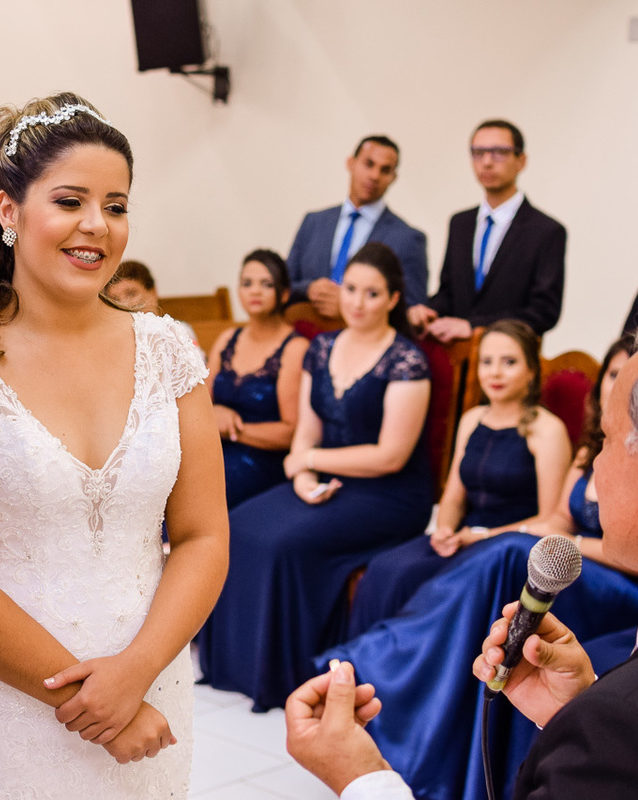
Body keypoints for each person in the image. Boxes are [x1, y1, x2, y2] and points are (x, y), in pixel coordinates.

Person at [0, 92, 229, 799]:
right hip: (6, 706)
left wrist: (136, 672)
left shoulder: (170, 351)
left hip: (150, 685)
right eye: (70, 200)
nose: (97, 225)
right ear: (6, 211)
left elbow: (205, 535)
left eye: (116, 205)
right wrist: (92, 705)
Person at [288, 345, 638, 800]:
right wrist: (574, 708)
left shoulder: (617, 720)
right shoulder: (609, 718)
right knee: (398, 568)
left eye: (607, 441)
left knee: (508, 552)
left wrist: (362, 780)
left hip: (592, 579)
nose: (594, 461)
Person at [198, 242, 432, 710]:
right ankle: (231, 666)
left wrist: (313, 463)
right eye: (351, 289)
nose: (357, 302)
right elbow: (304, 435)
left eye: (371, 293)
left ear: (392, 299)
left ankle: (284, 676)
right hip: (324, 477)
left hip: (388, 494)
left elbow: (391, 455)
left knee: (285, 544)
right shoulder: (321, 348)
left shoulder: (407, 360)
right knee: (240, 527)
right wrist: (302, 477)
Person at [348, 319, 572, 632]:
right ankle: (355, 671)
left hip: (509, 548)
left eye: (509, 362)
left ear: (531, 371)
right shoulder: (471, 419)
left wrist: (481, 537)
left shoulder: (547, 431)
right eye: (486, 362)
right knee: (385, 569)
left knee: (420, 581)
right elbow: (453, 496)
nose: (494, 372)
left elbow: (549, 521)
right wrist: (444, 530)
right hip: (463, 536)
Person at [409, 120, 566, 342]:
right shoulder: (460, 223)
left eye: (499, 152)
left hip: (510, 356)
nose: (487, 162)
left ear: (521, 161)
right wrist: (426, 310)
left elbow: (544, 312)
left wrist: (473, 326)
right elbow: (449, 293)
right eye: (478, 153)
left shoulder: (546, 231)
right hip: (456, 354)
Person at [203, 248, 307, 508]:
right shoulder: (228, 339)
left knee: (203, 495)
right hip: (215, 451)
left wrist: (232, 430)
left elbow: (292, 432)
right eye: (247, 283)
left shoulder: (295, 348)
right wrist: (215, 412)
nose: (255, 291)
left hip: (263, 462)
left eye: (266, 284)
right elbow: (201, 404)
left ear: (284, 293)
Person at [286, 135, 428, 317]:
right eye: (368, 164)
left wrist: (351, 305)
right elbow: (284, 285)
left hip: (368, 342)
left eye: (385, 170)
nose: (374, 176)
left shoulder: (408, 238)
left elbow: (412, 309)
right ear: (351, 163)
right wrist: (309, 289)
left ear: (393, 177)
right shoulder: (313, 222)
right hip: (305, 332)